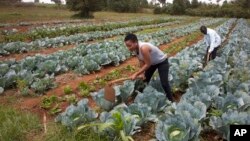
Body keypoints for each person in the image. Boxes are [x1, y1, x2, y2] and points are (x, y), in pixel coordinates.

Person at [124, 33, 174, 102]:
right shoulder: (135, 49)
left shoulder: (144, 48)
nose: (128, 48)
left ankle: (171, 100)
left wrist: (136, 74)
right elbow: (141, 61)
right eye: (127, 46)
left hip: (162, 62)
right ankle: (138, 97)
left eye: (129, 46)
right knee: (144, 81)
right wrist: (142, 74)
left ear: (135, 42)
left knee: (164, 83)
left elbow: (148, 64)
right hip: (152, 63)